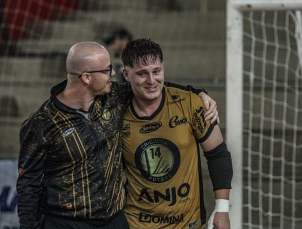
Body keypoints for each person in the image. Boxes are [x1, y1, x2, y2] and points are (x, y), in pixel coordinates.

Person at [16, 41, 218, 229]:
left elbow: (152, 85)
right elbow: (28, 184)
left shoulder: (114, 96)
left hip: (115, 220)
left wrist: (198, 93)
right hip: (64, 222)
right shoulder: (41, 124)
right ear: (86, 77)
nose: (113, 73)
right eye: (106, 70)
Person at [121, 38, 233, 229]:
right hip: (136, 223)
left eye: (156, 71)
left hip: (186, 223)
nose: (151, 80)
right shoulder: (115, 112)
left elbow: (218, 154)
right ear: (126, 74)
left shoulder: (191, 103)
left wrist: (222, 209)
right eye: (142, 73)